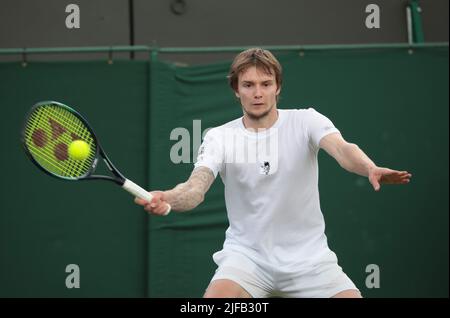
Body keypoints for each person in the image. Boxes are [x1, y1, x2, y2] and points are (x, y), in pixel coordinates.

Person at [135, 48, 412, 298]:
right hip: (247, 260)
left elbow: (343, 150)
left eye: (266, 84)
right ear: (236, 90)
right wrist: (169, 198)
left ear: (277, 87)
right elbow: (196, 188)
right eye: (248, 85)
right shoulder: (219, 138)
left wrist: (369, 168)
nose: (258, 93)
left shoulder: (307, 121)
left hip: (310, 260)